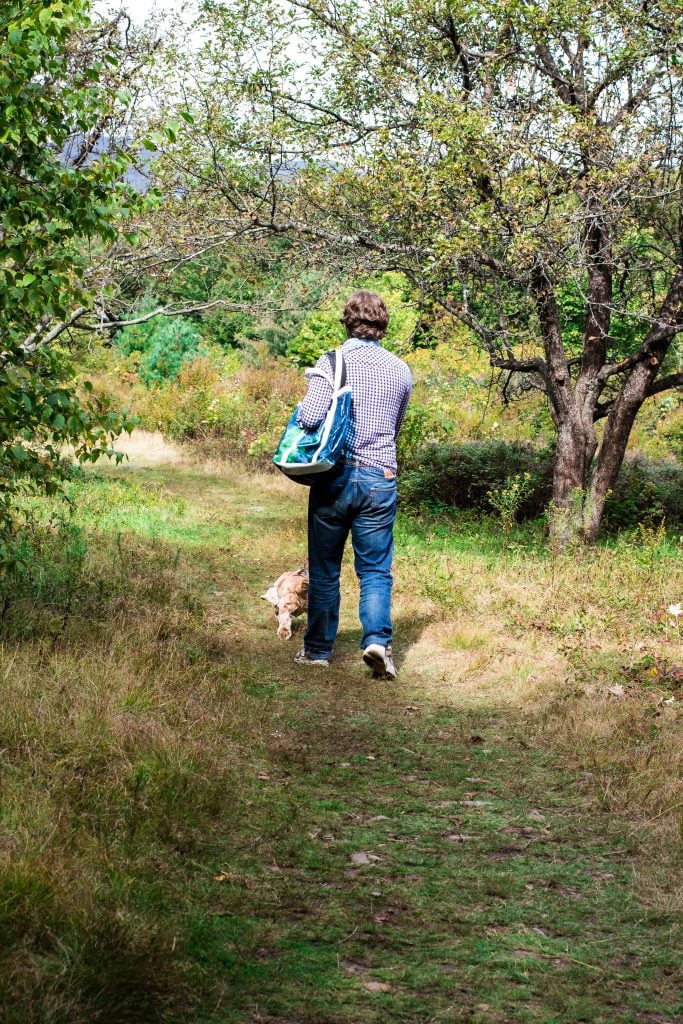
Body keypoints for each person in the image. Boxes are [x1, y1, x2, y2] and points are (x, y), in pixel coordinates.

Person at [293, 290, 412, 678]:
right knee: (376, 569)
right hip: (381, 476)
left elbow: (311, 417)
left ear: (348, 321)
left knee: (325, 567)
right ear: (382, 325)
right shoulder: (400, 369)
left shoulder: (334, 362)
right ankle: (377, 641)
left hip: (336, 476)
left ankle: (317, 651)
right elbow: (396, 427)